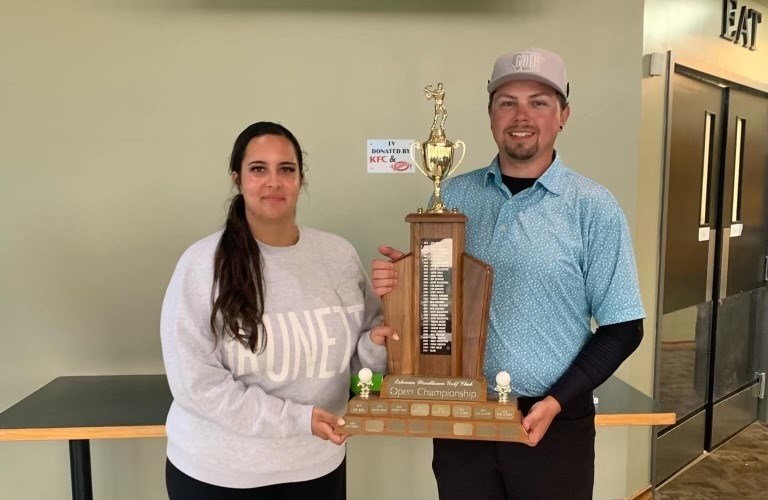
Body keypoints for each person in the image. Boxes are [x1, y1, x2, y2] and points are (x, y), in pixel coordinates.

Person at [373, 48, 645, 500]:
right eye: (507, 102)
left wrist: (556, 402)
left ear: (563, 116)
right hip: (463, 420)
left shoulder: (592, 206)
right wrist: (407, 288)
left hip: (553, 423)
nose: (521, 115)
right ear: (490, 116)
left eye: (539, 101)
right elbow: (442, 306)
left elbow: (623, 327)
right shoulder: (454, 195)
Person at [160, 121, 395, 500]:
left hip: (317, 467)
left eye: (286, 169)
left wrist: (378, 346)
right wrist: (296, 420)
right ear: (237, 178)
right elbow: (196, 385)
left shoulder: (338, 256)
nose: (273, 181)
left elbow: (358, 366)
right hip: (219, 476)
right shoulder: (201, 263)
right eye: (258, 169)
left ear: (301, 179)